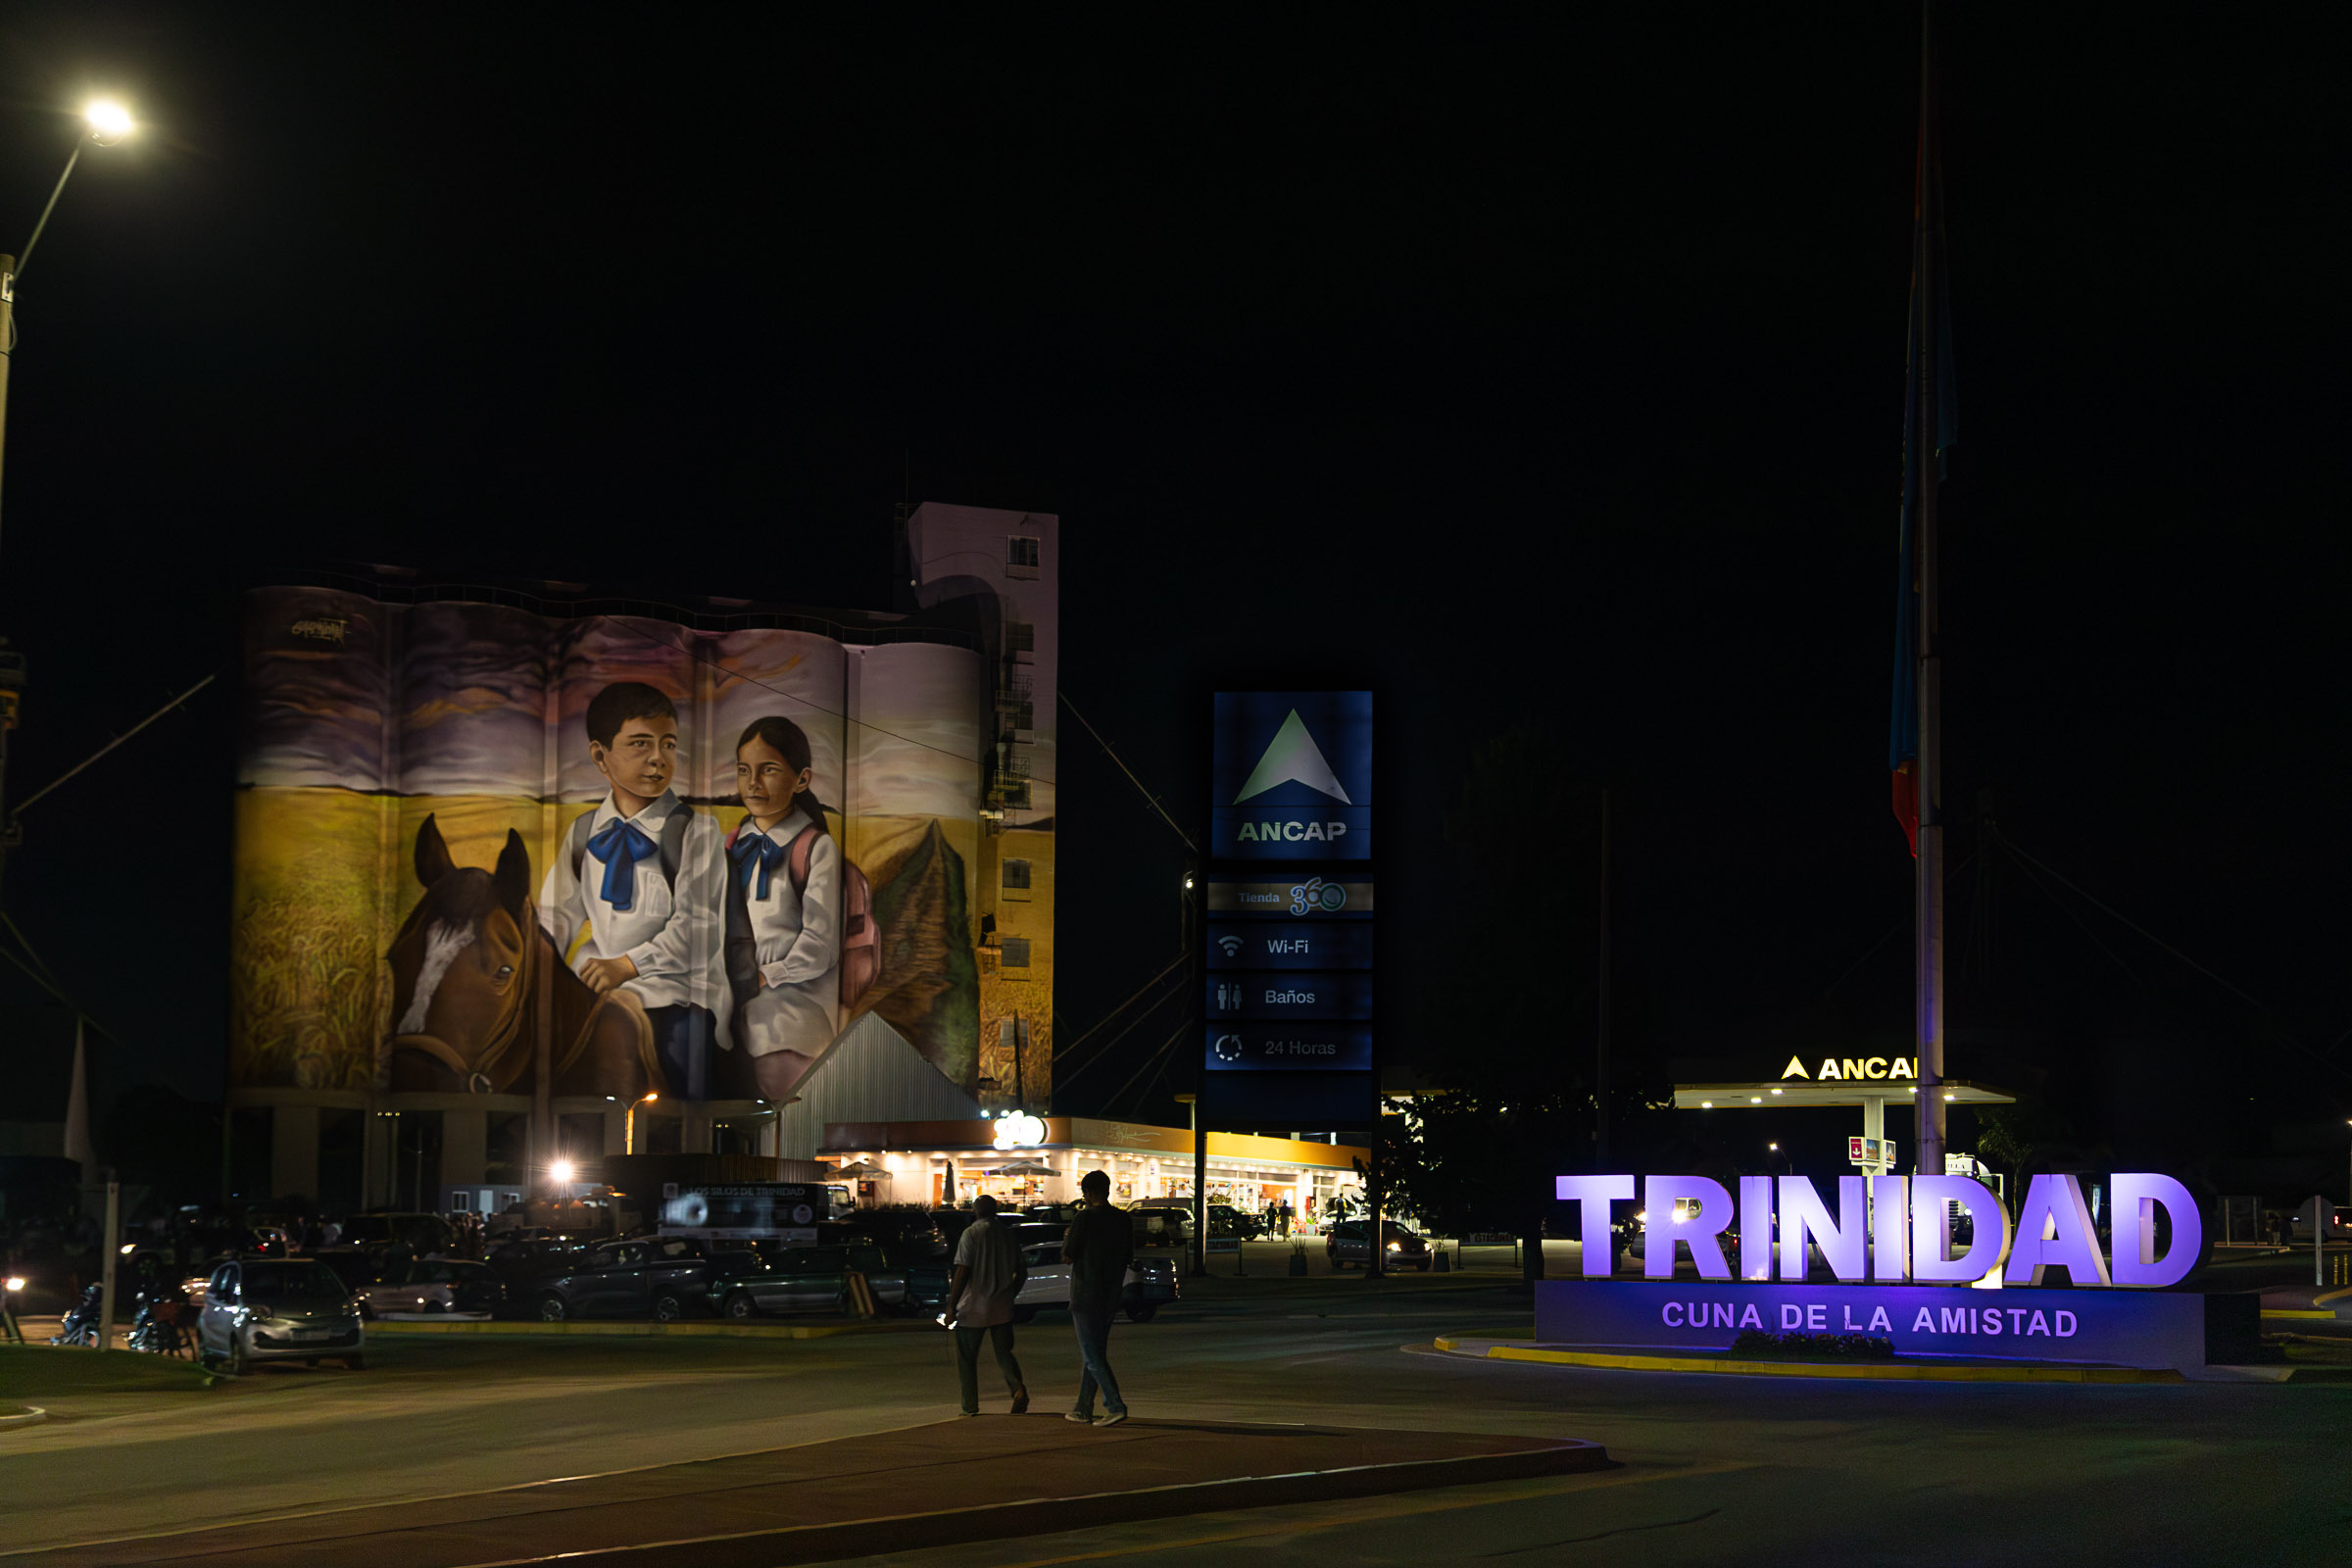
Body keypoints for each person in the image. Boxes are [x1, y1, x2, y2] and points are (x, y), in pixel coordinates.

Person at [540, 681, 730, 1099]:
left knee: (684, 1075)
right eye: (640, 744)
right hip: (606, 991)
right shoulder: (583, 832)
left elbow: (698, 929)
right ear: (600, 756)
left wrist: (627, 964)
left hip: (679, 996)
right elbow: (555, 916)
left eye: (668, 745)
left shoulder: (695, 832)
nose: (658, 759)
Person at [722, 715, 843, 1100]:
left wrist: (765, 976)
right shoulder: (729, 845)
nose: (753, 783)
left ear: (802, 779)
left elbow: (821, 945)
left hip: (790, 1007)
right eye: (745, 771)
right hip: (731, 996)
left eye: (768, 770)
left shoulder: (816, 848)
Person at [946, 1195, 1028, 1417]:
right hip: (1002, 1306)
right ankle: (1017, 1388)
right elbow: (1022, 1271)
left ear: (975, 1211)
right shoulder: (1008, 1234)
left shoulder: (971, 1234)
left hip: (973, 1307)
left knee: (967, 1358)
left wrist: (951, 1306)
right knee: (1004, 1353)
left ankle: (970, 1406)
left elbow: (963, 1270)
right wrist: (1011, 1294)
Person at [1063, 1169, 1133, 1426]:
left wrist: (1067, 1239)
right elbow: (1128, 1255)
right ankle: (1082, 1407)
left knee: (1091, 1354)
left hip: (1086, 1294)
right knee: (1094, 1352)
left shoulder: (1084, 1219)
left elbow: (1069, 1255)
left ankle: (1114, 1404)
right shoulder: (1123, 1220)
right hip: (1111, 1293)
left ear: (1088, 1193)